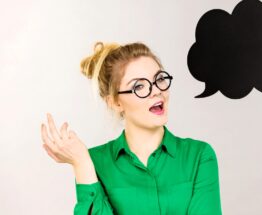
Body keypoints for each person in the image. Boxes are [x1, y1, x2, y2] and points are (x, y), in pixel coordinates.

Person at [40, 41, 222, 215]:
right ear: (115, 102)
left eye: (159, 79)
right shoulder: (94, 163)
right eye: (139, 86)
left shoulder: (199, 156)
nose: (157, 90)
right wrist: (82, 164)